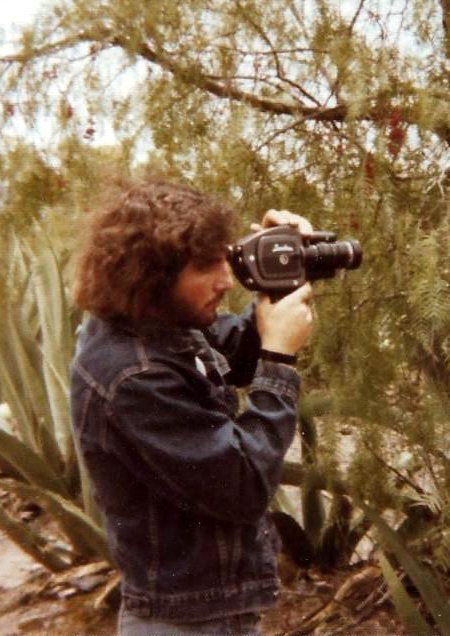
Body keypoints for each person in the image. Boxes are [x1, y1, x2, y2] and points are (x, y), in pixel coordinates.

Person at [69, 179, 314, 636]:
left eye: (225, 257)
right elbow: (242, 485)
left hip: (206, 612)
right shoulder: (135, 375)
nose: (225, 280)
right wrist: (279, 359)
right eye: (205, 266)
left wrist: (280, 270)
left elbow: (236, 351)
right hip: (187, 624)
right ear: (152, 273)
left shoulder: (153, 325)